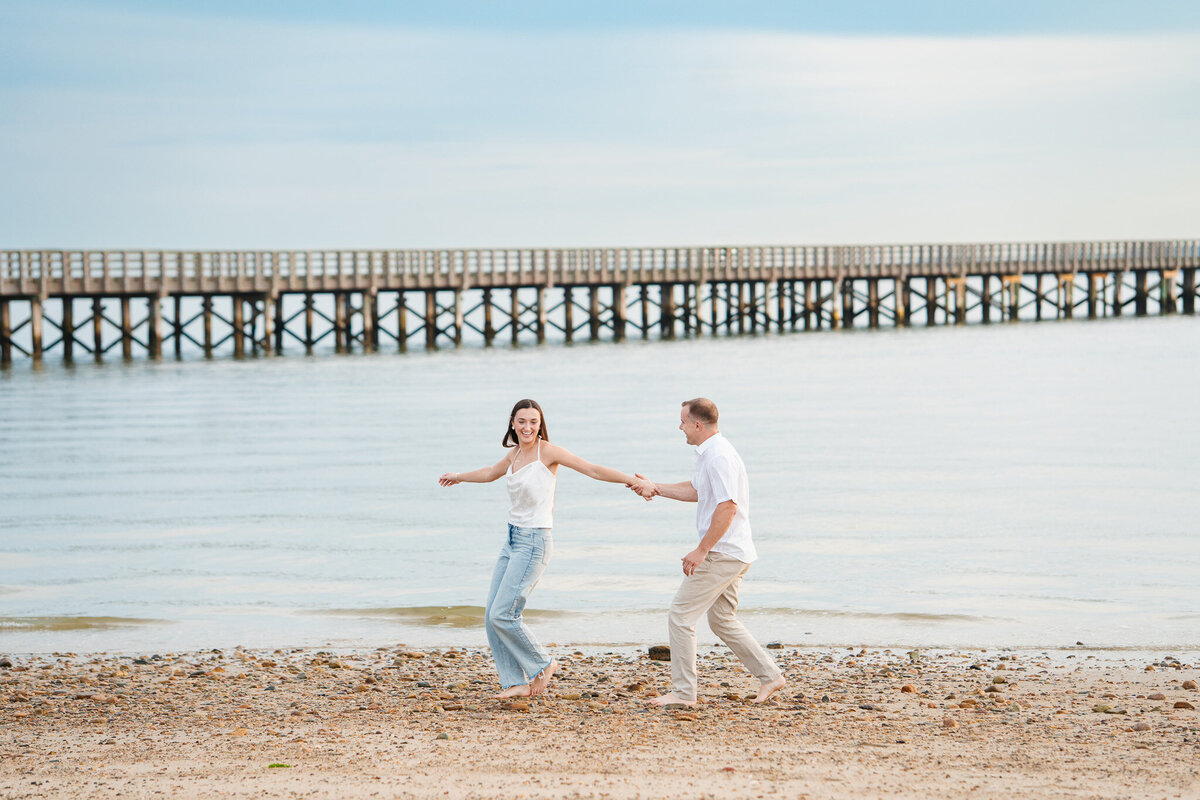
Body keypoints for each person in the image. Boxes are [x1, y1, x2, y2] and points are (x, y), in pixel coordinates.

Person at [439, 398, 652, 700]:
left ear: (540, 425)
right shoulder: (513, 455)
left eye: (533, 422)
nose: (528, 427)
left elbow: (591, 469)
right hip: (511, 540)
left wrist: (631, 480)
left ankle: (543, 663)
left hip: (534, 542)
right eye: (522, 421)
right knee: (492, 616)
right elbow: (489, 473)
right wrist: (458, 476)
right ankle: (514, 682)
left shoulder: (547, 452)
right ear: (512, 423)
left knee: (505, 614)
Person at [632, 398, 786, 707]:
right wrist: (655, 487)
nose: (680, 427)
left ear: (698, 425)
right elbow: (697, 491)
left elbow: (728, 506)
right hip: (736, 551)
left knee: (680, 616)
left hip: (724, 553)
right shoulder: (709, 454)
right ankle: (770, 675)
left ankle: (683, 693)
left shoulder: (719, 456)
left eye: (683, 422)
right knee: (722, 620)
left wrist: (702, 550)